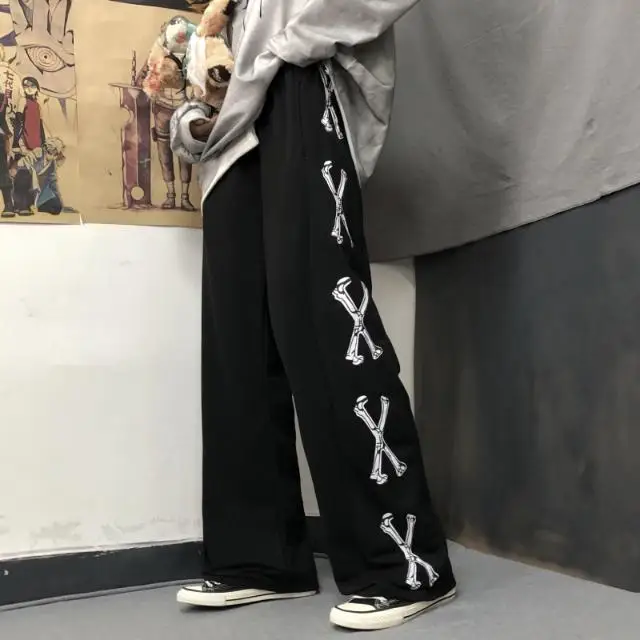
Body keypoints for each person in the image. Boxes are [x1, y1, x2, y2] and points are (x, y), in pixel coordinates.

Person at [171, 0, 456, 631]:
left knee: (326, 326)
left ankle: (404, 564)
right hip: (229, 136)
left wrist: (286, 46)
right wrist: (198, 108)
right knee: (238, 347)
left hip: (302, 86)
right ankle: (261, 558)